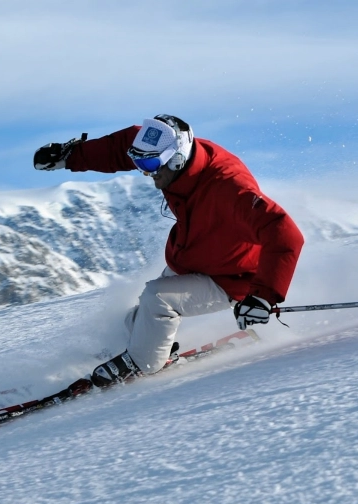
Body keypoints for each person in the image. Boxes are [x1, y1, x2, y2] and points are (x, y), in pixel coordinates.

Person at [33, 115, 304, 388]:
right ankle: (140, 345)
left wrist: (262, 297)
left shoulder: (229, 187)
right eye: (139, 163)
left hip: (233, 277)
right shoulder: (168, 154)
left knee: (159, 299)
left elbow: (285, 233)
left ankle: (143, 365)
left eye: (149, 165)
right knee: (145, 311)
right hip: (195, 256)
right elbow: (119, 148)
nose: (146, 172)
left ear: (176, 159)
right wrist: (71, 157)